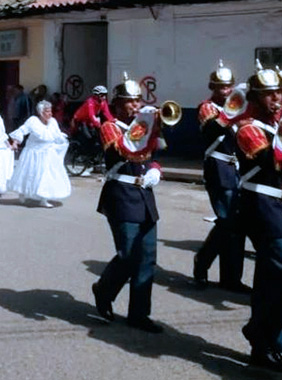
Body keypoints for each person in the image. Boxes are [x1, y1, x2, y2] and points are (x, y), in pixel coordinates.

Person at [236, 61, 282, 374]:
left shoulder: (281, 122)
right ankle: (259, 331)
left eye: (278, 93)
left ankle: (265, 350)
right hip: (262, 206)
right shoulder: (247, 127)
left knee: (269, 281)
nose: (275, 99)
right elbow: (269, 158)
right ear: (254, 96)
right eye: (268, 94)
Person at [91, 72, 165, 334]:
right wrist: (144, 123)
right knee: (128, 255)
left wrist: (155, 169)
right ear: (118, 104)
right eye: (130, 102)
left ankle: (139, 314)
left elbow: (151, 154)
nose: (136, 106)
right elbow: (120, 149)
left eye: (138, 101)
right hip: (121, 194)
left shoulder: (144, 127)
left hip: (144, 196)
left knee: (147, 257)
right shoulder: (109, 126)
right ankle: (104, 289)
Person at [192, 60, 248, 292]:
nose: (225, 91)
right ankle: (202, 261)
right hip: (219, 168)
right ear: (212, 88)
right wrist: (234, 108)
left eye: (228, 87)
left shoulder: (239, 106)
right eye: (220, 87)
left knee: (238, 226)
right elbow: (213, 128)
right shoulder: (207, 107)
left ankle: (231, 278)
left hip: (240, 170)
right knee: (227, 221)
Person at [8, 100, 70, 207]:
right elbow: (22, 130)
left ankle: (43, 198)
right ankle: (22, 193)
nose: (50, 114)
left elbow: (56, 134)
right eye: (47, 111)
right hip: (33, 153)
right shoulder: (33, 121)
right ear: (41, 112)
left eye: (50, 111)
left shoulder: (53, 122)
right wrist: (15, 142)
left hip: (48, 153)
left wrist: (63, 140)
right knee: (28, 174)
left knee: (46, 176)